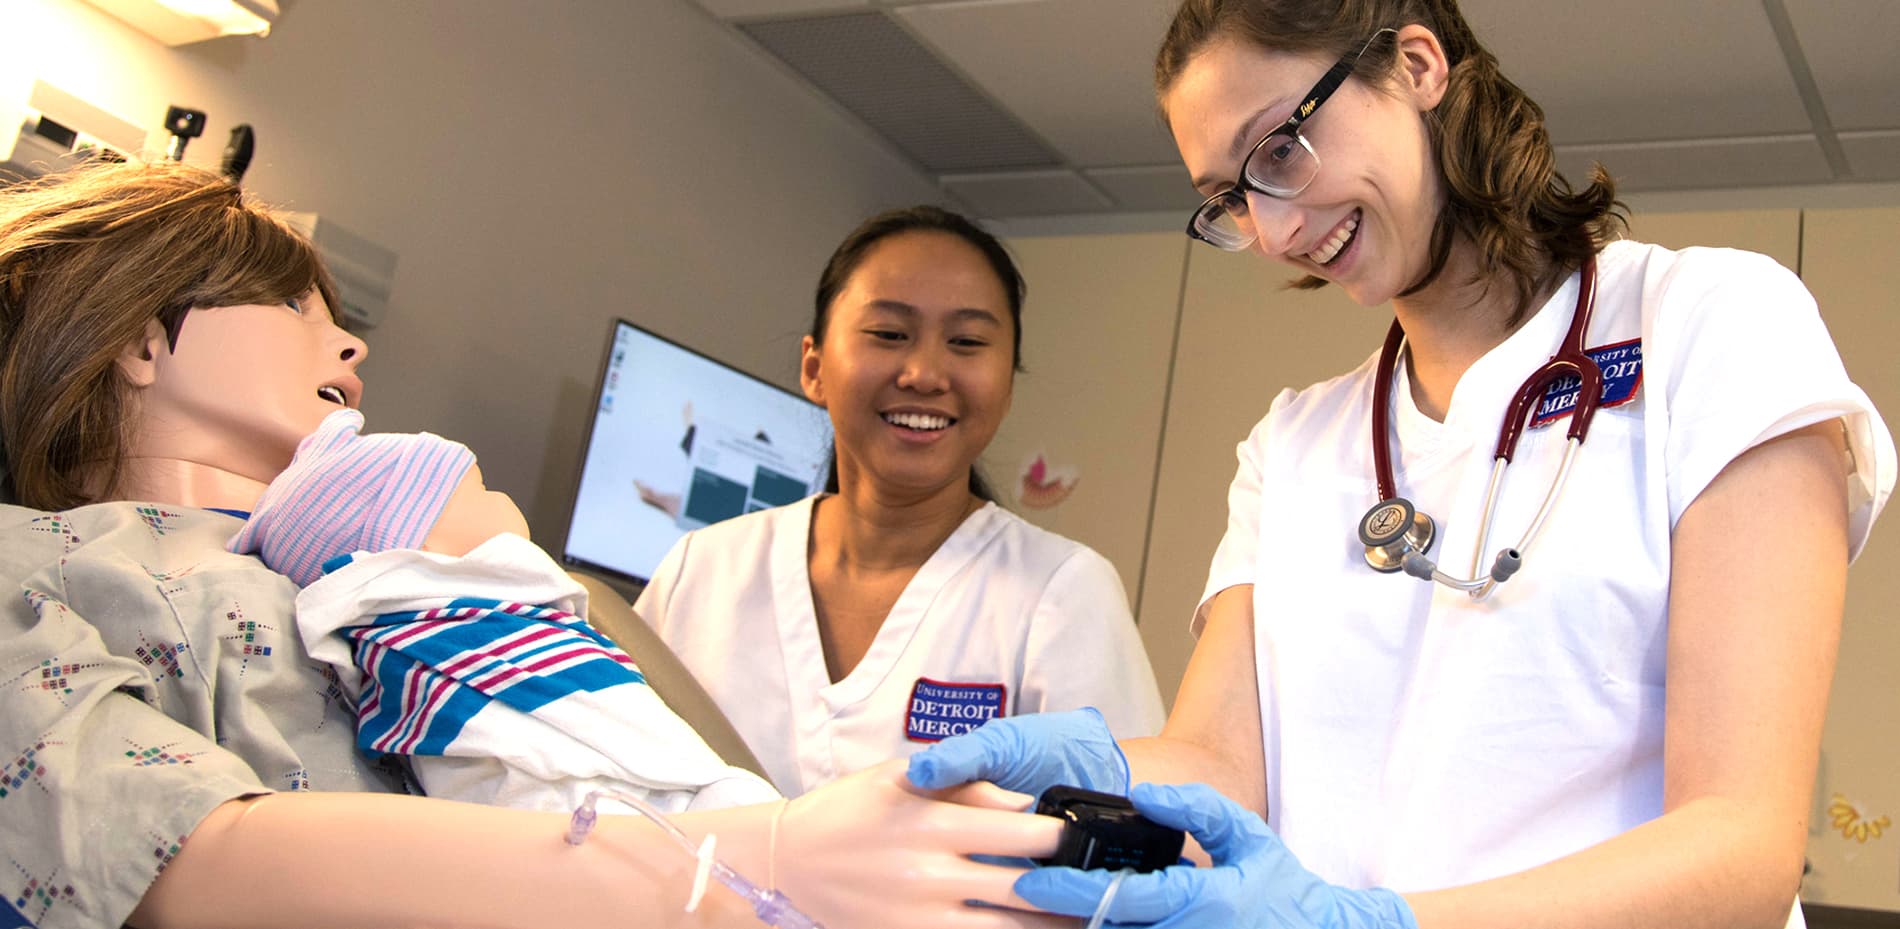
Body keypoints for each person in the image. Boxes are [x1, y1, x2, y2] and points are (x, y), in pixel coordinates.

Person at [907, 3, 1897, 929]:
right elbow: (1218, 764)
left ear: (1416, 66)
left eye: (1280, 151)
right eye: (1229, 199)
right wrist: (1058, 777)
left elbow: (1742, 843)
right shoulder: (1294, 442)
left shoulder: (1708, 324)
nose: (1277, 230)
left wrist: (1387, 923)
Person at [0, 160, 1073, 929]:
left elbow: (694, 778)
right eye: (291, 302)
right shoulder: (35, 561)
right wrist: (734, 864)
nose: (350, 338)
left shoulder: (413, 568)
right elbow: (179, 850)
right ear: (143, 336)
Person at [635, 205, 1166, 798]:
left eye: (966, 342)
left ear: (1007, 386)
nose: (924, 373)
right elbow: (607, 787)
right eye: (889, 334)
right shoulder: (701, 571)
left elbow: (1120, 840)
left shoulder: (1063, 592)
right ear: (814, 368)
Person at [228, 406, 779, 813]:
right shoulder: (447, 644)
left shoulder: (495, 625)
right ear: (416, 547)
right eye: (482, 487)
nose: (501, 496)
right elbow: (547, 778)